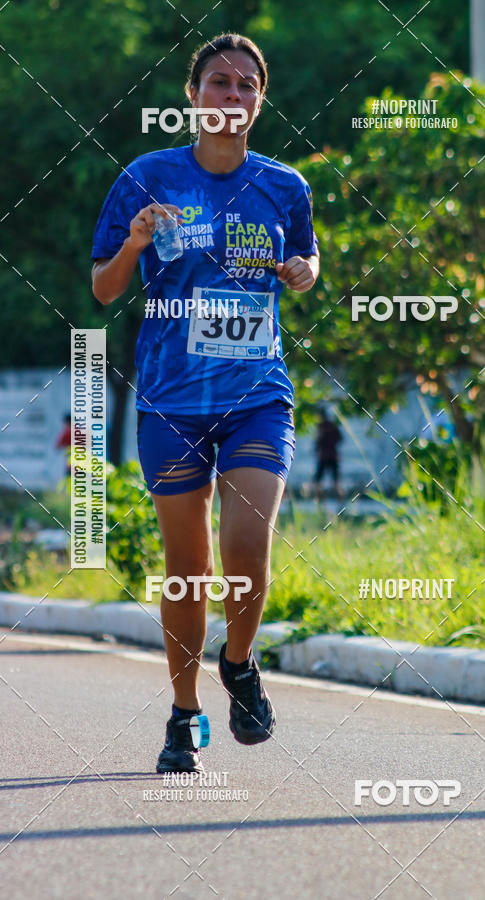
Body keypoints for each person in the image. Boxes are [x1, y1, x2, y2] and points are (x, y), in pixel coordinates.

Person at [91, 34, 319, 772]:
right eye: (218, 83)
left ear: (261, 99)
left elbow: (308, 253)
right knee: (188, 566)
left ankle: (242, 662)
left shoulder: (284, 185)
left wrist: (304, 270)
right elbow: (103, 288)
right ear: (192, 98)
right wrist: (131, 244)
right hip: (170, 402)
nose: (232, 96)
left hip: (257, 394)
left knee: (248, 547)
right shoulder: (147, 178)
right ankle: (185, 714)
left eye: (246, 85)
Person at [313, 409, 342, 499]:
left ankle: (319, 499)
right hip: (333, 455)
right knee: (335, 479)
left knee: (318, 480)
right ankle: (339, 498)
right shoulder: (332, 425)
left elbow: (317, 443)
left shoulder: (320, 427)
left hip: (324, 456)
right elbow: (340, 438)